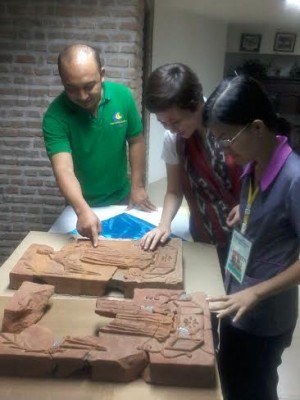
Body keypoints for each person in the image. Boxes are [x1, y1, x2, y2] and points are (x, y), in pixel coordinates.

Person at [203, 75, 300, 400]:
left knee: (255, 389)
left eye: (227, 139)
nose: (224, 150)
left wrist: (255, 294)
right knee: (230, 380)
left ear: (257, 128)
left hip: (265, 315)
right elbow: (263, 214)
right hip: (238, 298)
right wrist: (243, 212)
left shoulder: (295, 179)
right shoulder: (254, 163)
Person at [43, 44, 155, 247]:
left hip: (120, 197)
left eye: (89, 86)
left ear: (102, 75)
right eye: (72, 89)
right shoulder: (55, 116)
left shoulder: (123, 96)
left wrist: (137, 186)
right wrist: (81, 209)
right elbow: (64, 169)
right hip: (81, 203)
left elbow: (136, 140)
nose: (83, 96)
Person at [140, 63, 241, 272]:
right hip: (204, 232)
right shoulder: (173, 139)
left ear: (196, 105)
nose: (170, 129)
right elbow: (174, 191)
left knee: (240, 293)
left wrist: (249, 205)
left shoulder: (230, 124)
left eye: (175, 121)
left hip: (245, 232)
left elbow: (262, 177)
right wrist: (164, 225)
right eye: (162, 123)